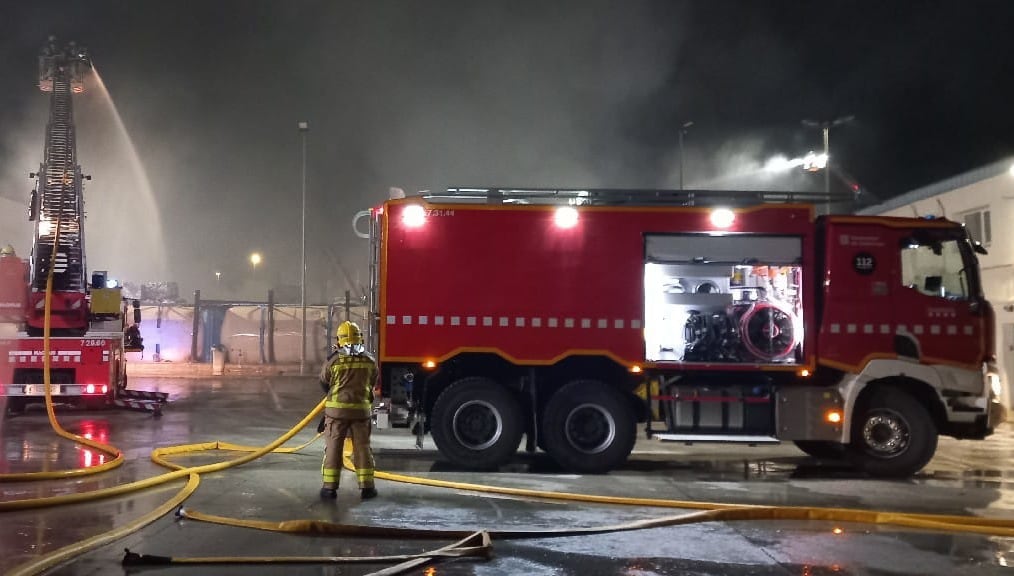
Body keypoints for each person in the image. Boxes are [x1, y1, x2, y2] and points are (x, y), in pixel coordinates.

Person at [318, 320, 378, 500]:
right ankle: (367, 488)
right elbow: (372, 382)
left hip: (336, 414)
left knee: (334, 448)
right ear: (360, 338)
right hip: (361, 412)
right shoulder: (369, 360)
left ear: (340, 339)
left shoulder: (334, 360)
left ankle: (330, 489)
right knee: (363, 448)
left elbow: (323, 381)